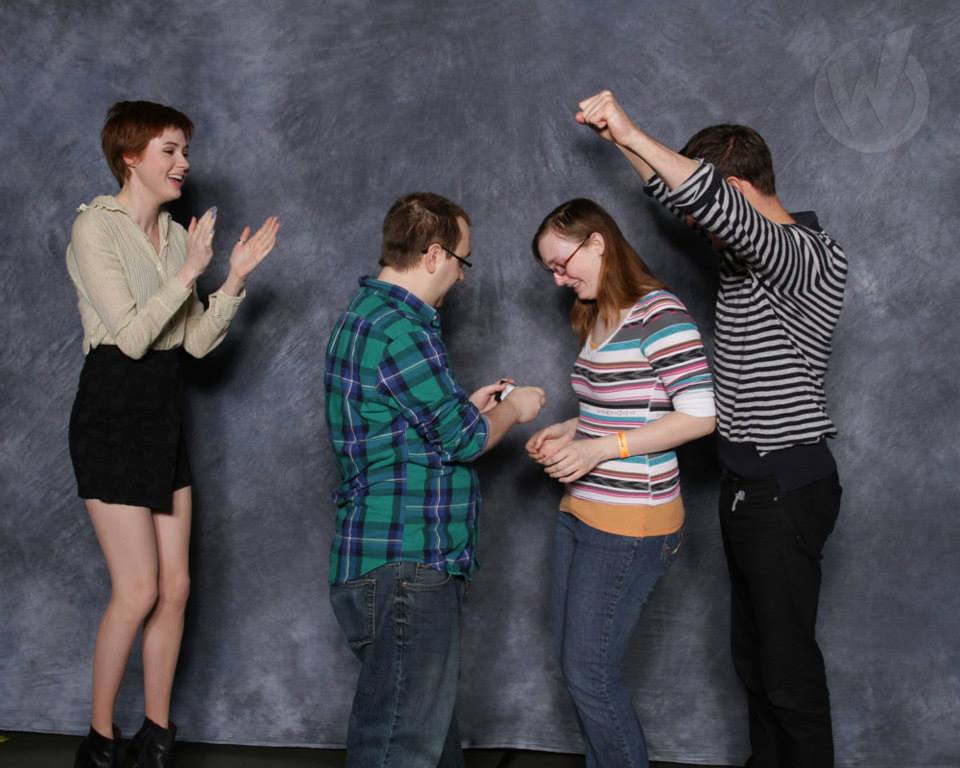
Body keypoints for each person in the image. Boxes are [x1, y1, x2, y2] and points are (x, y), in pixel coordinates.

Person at [575, 90, 847, 768]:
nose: (696, 225)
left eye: (710, 208)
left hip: (785, 486)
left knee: (787, 672)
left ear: (737, 190)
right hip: (747, 490)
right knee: (754, 662)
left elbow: (703, 200)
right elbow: (682, 197)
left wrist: (632, 129)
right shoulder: (746, 256)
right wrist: (620, 145)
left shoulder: (803, 254)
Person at [66, 100, 280, 768]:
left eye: (185, 150)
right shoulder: (94, 228)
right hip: (112, 411)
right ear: (130, 157)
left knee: (176, 588)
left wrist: (233, 278)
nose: (184, 163)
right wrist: (190, 271)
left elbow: (192, 345)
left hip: (162, 411)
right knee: (137, 590)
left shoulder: (174, 234)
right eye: (170, 150)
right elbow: (131, 338)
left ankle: (156, 737)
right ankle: (100, 743)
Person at [324, 192, 545, 768]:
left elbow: (405, 430)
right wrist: (514, 410)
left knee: (425, 736)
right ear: (433, 255)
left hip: (378, 559)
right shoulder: (404, 331)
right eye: (462, 261)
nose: (462, 277)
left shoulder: (362, 317)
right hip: (408, 565)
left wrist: (466, 408)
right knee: (398, 747)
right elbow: (465, 441)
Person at [526, 198, 716, 767]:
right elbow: (624, 406)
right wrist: (569, 431)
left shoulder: (659, 313)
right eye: (551, 271)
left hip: (632, 524)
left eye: (561, 264)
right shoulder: (597, 313)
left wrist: (598, 449)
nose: (558, 280)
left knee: (590, 675)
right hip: (580, 511)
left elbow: (701, 415)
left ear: (597, 243)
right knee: (576, 670)